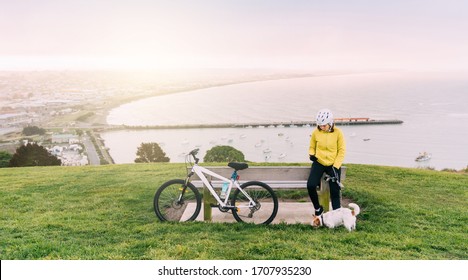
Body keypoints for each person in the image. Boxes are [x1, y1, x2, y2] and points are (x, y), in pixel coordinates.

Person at [307, 108, 346, 217]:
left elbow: (341, 151)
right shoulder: (316, 133)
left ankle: (337, 215)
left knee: (334, 191)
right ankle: (318, 209)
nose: (321, 127)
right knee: (311, 185)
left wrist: (336, 166)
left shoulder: (338, 133)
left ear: (330, 123)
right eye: (320, 125)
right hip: (319, 162)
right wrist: (312, 155)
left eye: (324, 125)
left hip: (333, 164)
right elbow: (312, 147)